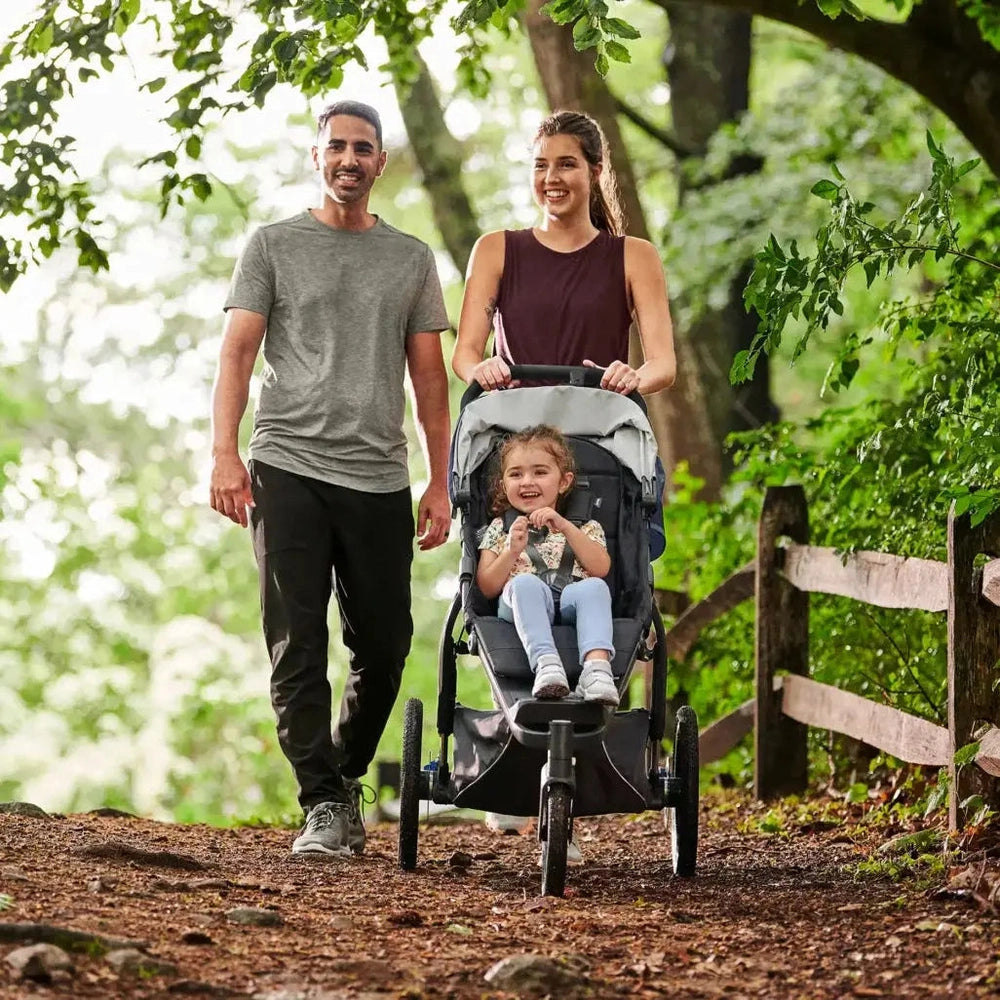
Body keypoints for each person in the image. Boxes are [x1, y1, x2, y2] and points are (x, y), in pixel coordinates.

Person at [209, 100, 452, 858]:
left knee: (385, 645)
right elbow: (237, 354)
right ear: (316, 156)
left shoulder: (410, 259)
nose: (350, 158)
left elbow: (430, 381)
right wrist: (223, 450)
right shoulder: (274, 245)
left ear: (381, 163)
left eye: (364, 148)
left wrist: (439, 482)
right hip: (286, 466)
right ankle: (320, 801)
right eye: (337, 146)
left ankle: (343, 777)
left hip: (380, 474)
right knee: (298, 642)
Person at [451, 109, 676, 400]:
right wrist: (480, 370)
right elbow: (465, 355)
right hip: (515, 424)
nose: (551, 178)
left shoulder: (636, 256)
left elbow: (663, 364)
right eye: (540, 166)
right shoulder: (494, 250)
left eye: (566, 165)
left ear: (595, 172)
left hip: (598, 423)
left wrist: (631, 378)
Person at [477, 425, 620, 708]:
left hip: (568, 600)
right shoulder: (499, 529)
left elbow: (601, 567)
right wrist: (511, 552)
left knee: (594, 586)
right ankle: (546, 663)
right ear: (504, 484)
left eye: (540, 472)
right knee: (525, 584)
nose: (527, 481)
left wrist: (567, 528)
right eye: (515, 474)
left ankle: (596, 670)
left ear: (564, 482)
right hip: (518, 602)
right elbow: (487, 586)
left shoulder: (585, 527)